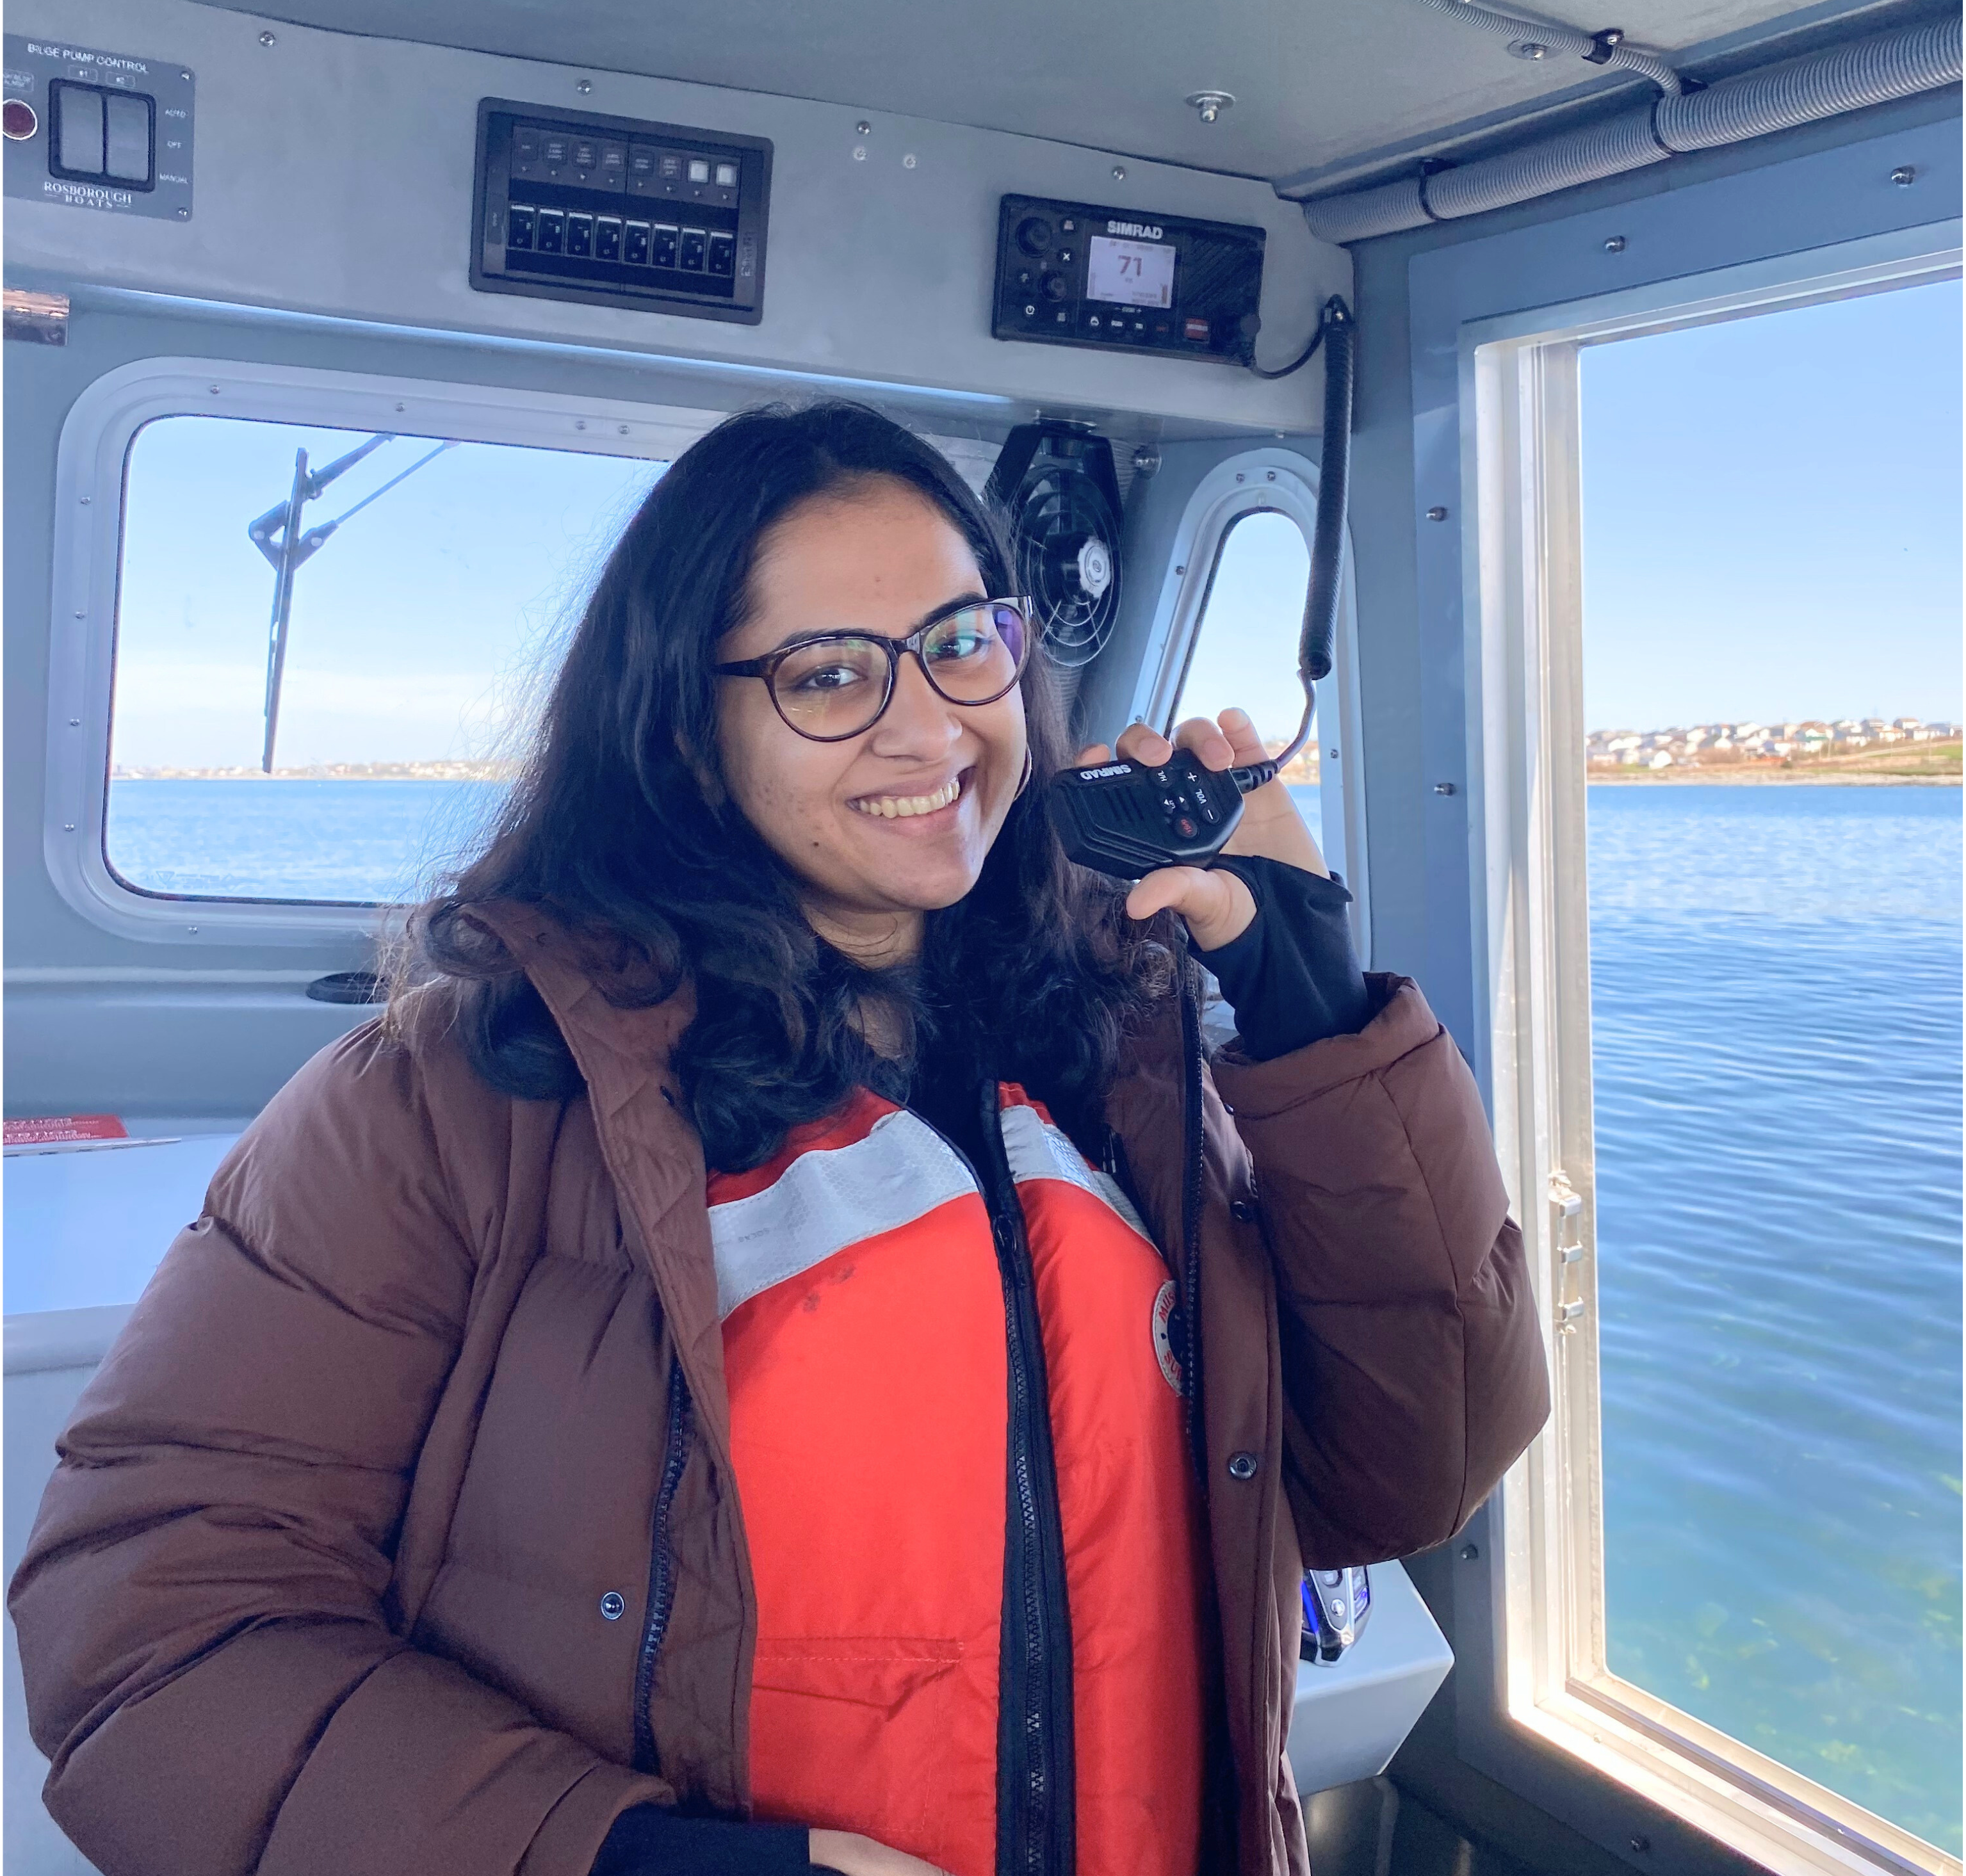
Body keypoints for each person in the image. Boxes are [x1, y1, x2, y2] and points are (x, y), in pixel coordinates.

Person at [10, 401, 1548, 1876]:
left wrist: (1313, 1018)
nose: (930, 725)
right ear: (687, 732)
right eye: (828, 673)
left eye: (960, 644)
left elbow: (1398, 1482)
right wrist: (616, 1861)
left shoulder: (1124, 1056)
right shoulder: (447, 1103)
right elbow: (150, 1625)